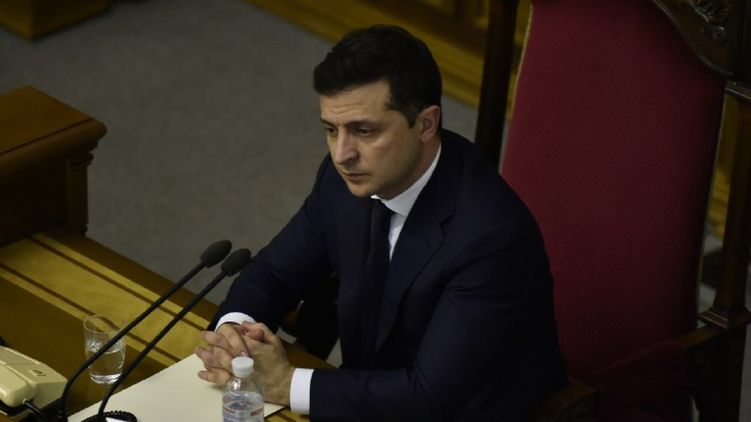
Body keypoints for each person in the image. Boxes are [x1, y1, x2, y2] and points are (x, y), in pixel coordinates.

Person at [195, 24, 567, 421]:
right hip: (368, 394)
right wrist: (233, 335)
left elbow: (429, 398)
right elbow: (274, 273)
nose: (342, 154)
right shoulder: (345, 180)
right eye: (331, 130)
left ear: (426, 124)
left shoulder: (490, 238)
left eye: (364, 130)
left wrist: (287, 384)